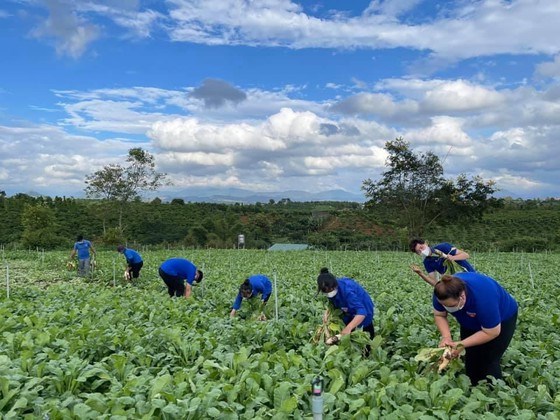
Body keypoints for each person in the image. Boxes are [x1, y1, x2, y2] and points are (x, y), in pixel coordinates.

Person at [432, 272, 518, 385]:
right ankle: (473, 387)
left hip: (502, 319)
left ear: (462, 297)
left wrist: (460, 344)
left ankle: (493, 394)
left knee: (488, 359)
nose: (447, 308)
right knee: (471, 356)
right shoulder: (442, 292)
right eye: (445, 305)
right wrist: (446, 337)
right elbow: (440, 315)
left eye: (451, 306)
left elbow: (491, 332)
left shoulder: (484, 298)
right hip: (469, 320)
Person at [317, 268, 375, 346]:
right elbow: (331, 304)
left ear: (335, 285)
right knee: (347, 331)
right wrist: (327, 313)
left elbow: (362, 312)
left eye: (331, 290)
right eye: (326, 292)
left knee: (365, 332)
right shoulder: (329, 287)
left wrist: (348, 328)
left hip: (363, 308)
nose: (329, 293)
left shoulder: (347, 290)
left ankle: (368, 351)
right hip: (346, 310)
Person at [409, 238, 475, 287]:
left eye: (422, 247)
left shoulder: (443, 247)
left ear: (426, 243)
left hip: (469, 276)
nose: (422, 251)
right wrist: (421, 274)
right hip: (456, 285)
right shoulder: (427, 262)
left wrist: (453, 258)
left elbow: (466, 255)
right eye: (419, 251)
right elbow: (435, 283)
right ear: (418, 254)